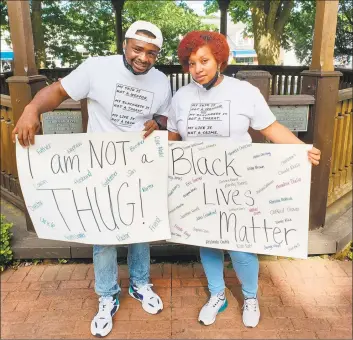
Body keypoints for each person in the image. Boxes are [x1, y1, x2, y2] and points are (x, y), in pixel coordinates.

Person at [12, 21, 171, 338]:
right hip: (100, 166)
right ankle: (107, 294)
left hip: (139, 164)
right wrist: (32, 109)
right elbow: (57, 92)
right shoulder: (97, 68)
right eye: (137, 49)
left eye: (151, 53)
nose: (143, 57)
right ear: (125, 44)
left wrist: (158, 121)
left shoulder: (162, 81)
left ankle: (140, 284)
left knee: (141, 228)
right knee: (105, 235)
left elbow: (165, 115)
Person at [168, 31, 321, 328]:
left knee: (240, 243)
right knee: (207, 240)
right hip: (197, 185)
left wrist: (301, 150)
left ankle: (250, 296)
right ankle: (217, 294)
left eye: (204, 61)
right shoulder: (181, 97)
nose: (197, 69)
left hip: (237, 184)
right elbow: (173, 138)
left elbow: (270, 128)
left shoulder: (244, 92)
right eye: (190, 63)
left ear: (220, 60)